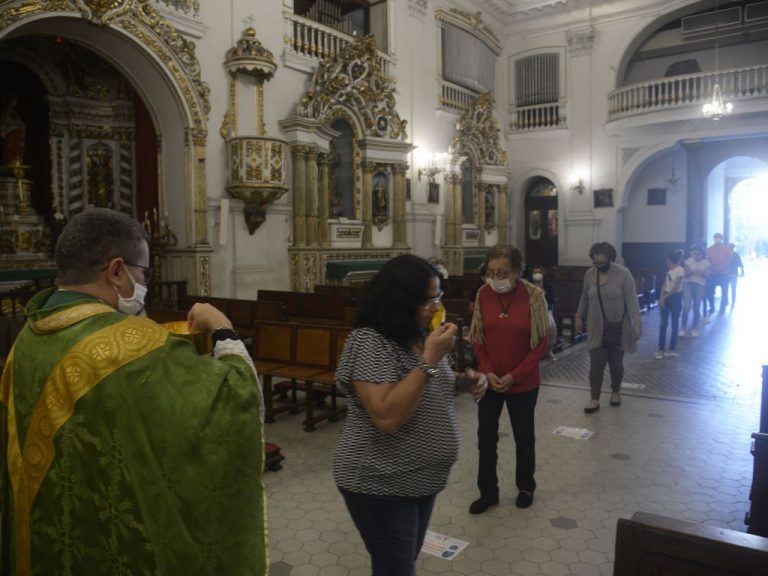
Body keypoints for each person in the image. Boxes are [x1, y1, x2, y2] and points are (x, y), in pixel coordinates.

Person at [0, 208, 267, 575]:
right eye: (143, 273)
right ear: (116, 272)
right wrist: (223, 330)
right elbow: (236, 399)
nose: (144, 282)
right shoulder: (129, 346)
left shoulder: (27, 338)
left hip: (49, 529)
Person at [332, 254, 485, 576]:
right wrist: (430, 357)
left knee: (398, 564)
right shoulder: (369, 341)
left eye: (438, 296)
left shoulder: (415, 334)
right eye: (427, 299)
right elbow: (387, 417)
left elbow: (426, 383)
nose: (435, 306)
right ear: (399, 300)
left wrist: (461, 381)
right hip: (379, 482)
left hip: (419, 478)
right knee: (397, 569)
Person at [467, 245, 549, 513]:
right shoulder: (483, 294)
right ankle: (488, 492)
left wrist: (514, 376)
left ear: (516, 271)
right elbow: (477, 337)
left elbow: (540, 344)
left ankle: (526, 486)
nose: (496, 278)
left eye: (502, 272)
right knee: (486, 438)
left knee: (524, 436)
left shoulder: (534, 296)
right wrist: (487, 371)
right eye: (491, 272)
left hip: (523, 382)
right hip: (489, 380)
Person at [575, 242, 642, 413]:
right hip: (596, 326)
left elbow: (632, 301)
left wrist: (637, 324)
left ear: (610, 259)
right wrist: (578, 316)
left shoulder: (623, 274)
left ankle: (615, 392)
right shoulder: (590, 274)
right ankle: (594, 399)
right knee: (596, 363)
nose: (599, 266)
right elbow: (584, 296)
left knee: (615, 363)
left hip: (618, 325)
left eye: (602, 263)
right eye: (595, 263)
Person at [656, 250, 684, 359]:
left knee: (674, 323)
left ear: (670, 260)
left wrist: (663, 298)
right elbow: (665, 284)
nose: (666, 261)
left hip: (675, 298)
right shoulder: (669, 270)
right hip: (667, 297)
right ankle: (660, 349)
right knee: (663, 323)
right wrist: (661, 297)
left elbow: (675, 288)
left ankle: (672, 349)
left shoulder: (680, 270)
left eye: (667, 259)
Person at [528, 264, 557, 359]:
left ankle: (549, 349)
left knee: (550, 325)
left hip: (545, 311)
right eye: (535, 272)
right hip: (531, 311)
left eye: (539, 272)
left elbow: (551, 300)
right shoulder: (528, 285)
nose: (537, 274)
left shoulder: (549, 286)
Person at [680, 245, 709, 337]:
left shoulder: (706, 262)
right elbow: (685, 273)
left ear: (702, 255)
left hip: (700, 285)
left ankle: (694, 328)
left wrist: (701, 272)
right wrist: (692, 271)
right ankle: (683, 328)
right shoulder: (688, 261)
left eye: (698, 254)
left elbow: (708, 275)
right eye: (694, 254)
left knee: (696, 307)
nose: (696, 256)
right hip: (688, 284)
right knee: (686, 306)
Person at [706, 233, 732, 315]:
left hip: (724, 273)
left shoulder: (726, 249)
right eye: (716, 237)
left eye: (719, 238)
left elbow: (730, 259)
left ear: (721, 239)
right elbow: (707, 260)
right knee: (710, 291)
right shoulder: (710, 249)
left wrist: (726, 267)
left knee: (725, 291)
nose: (717, 239)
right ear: (714, 239)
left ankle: (722, 307)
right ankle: (712, 306)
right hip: (713, 273)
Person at [0, 96, 25, 167]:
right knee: (9, 147)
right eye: (13, 101)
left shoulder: (15, 113)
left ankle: (15, 161)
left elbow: (20, 122)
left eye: (16, 102)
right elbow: (5, 122)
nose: (15, 103)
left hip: (16, 134)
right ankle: (8, 161)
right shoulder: (6, 112)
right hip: (9, 132)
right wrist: (16, 124)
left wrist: (20, 124)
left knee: (16, 147)